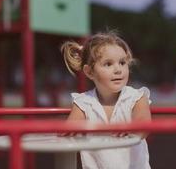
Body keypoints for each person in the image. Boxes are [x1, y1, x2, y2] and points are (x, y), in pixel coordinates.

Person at [60, 30, 152, 169]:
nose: (118, 70)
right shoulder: (84, 102)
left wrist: (132, 129)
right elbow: (69, 130)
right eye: (108, 64)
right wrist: (71, 130)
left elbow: (144, 126)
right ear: (89, 72)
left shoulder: (136, 97)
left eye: (122, 63)